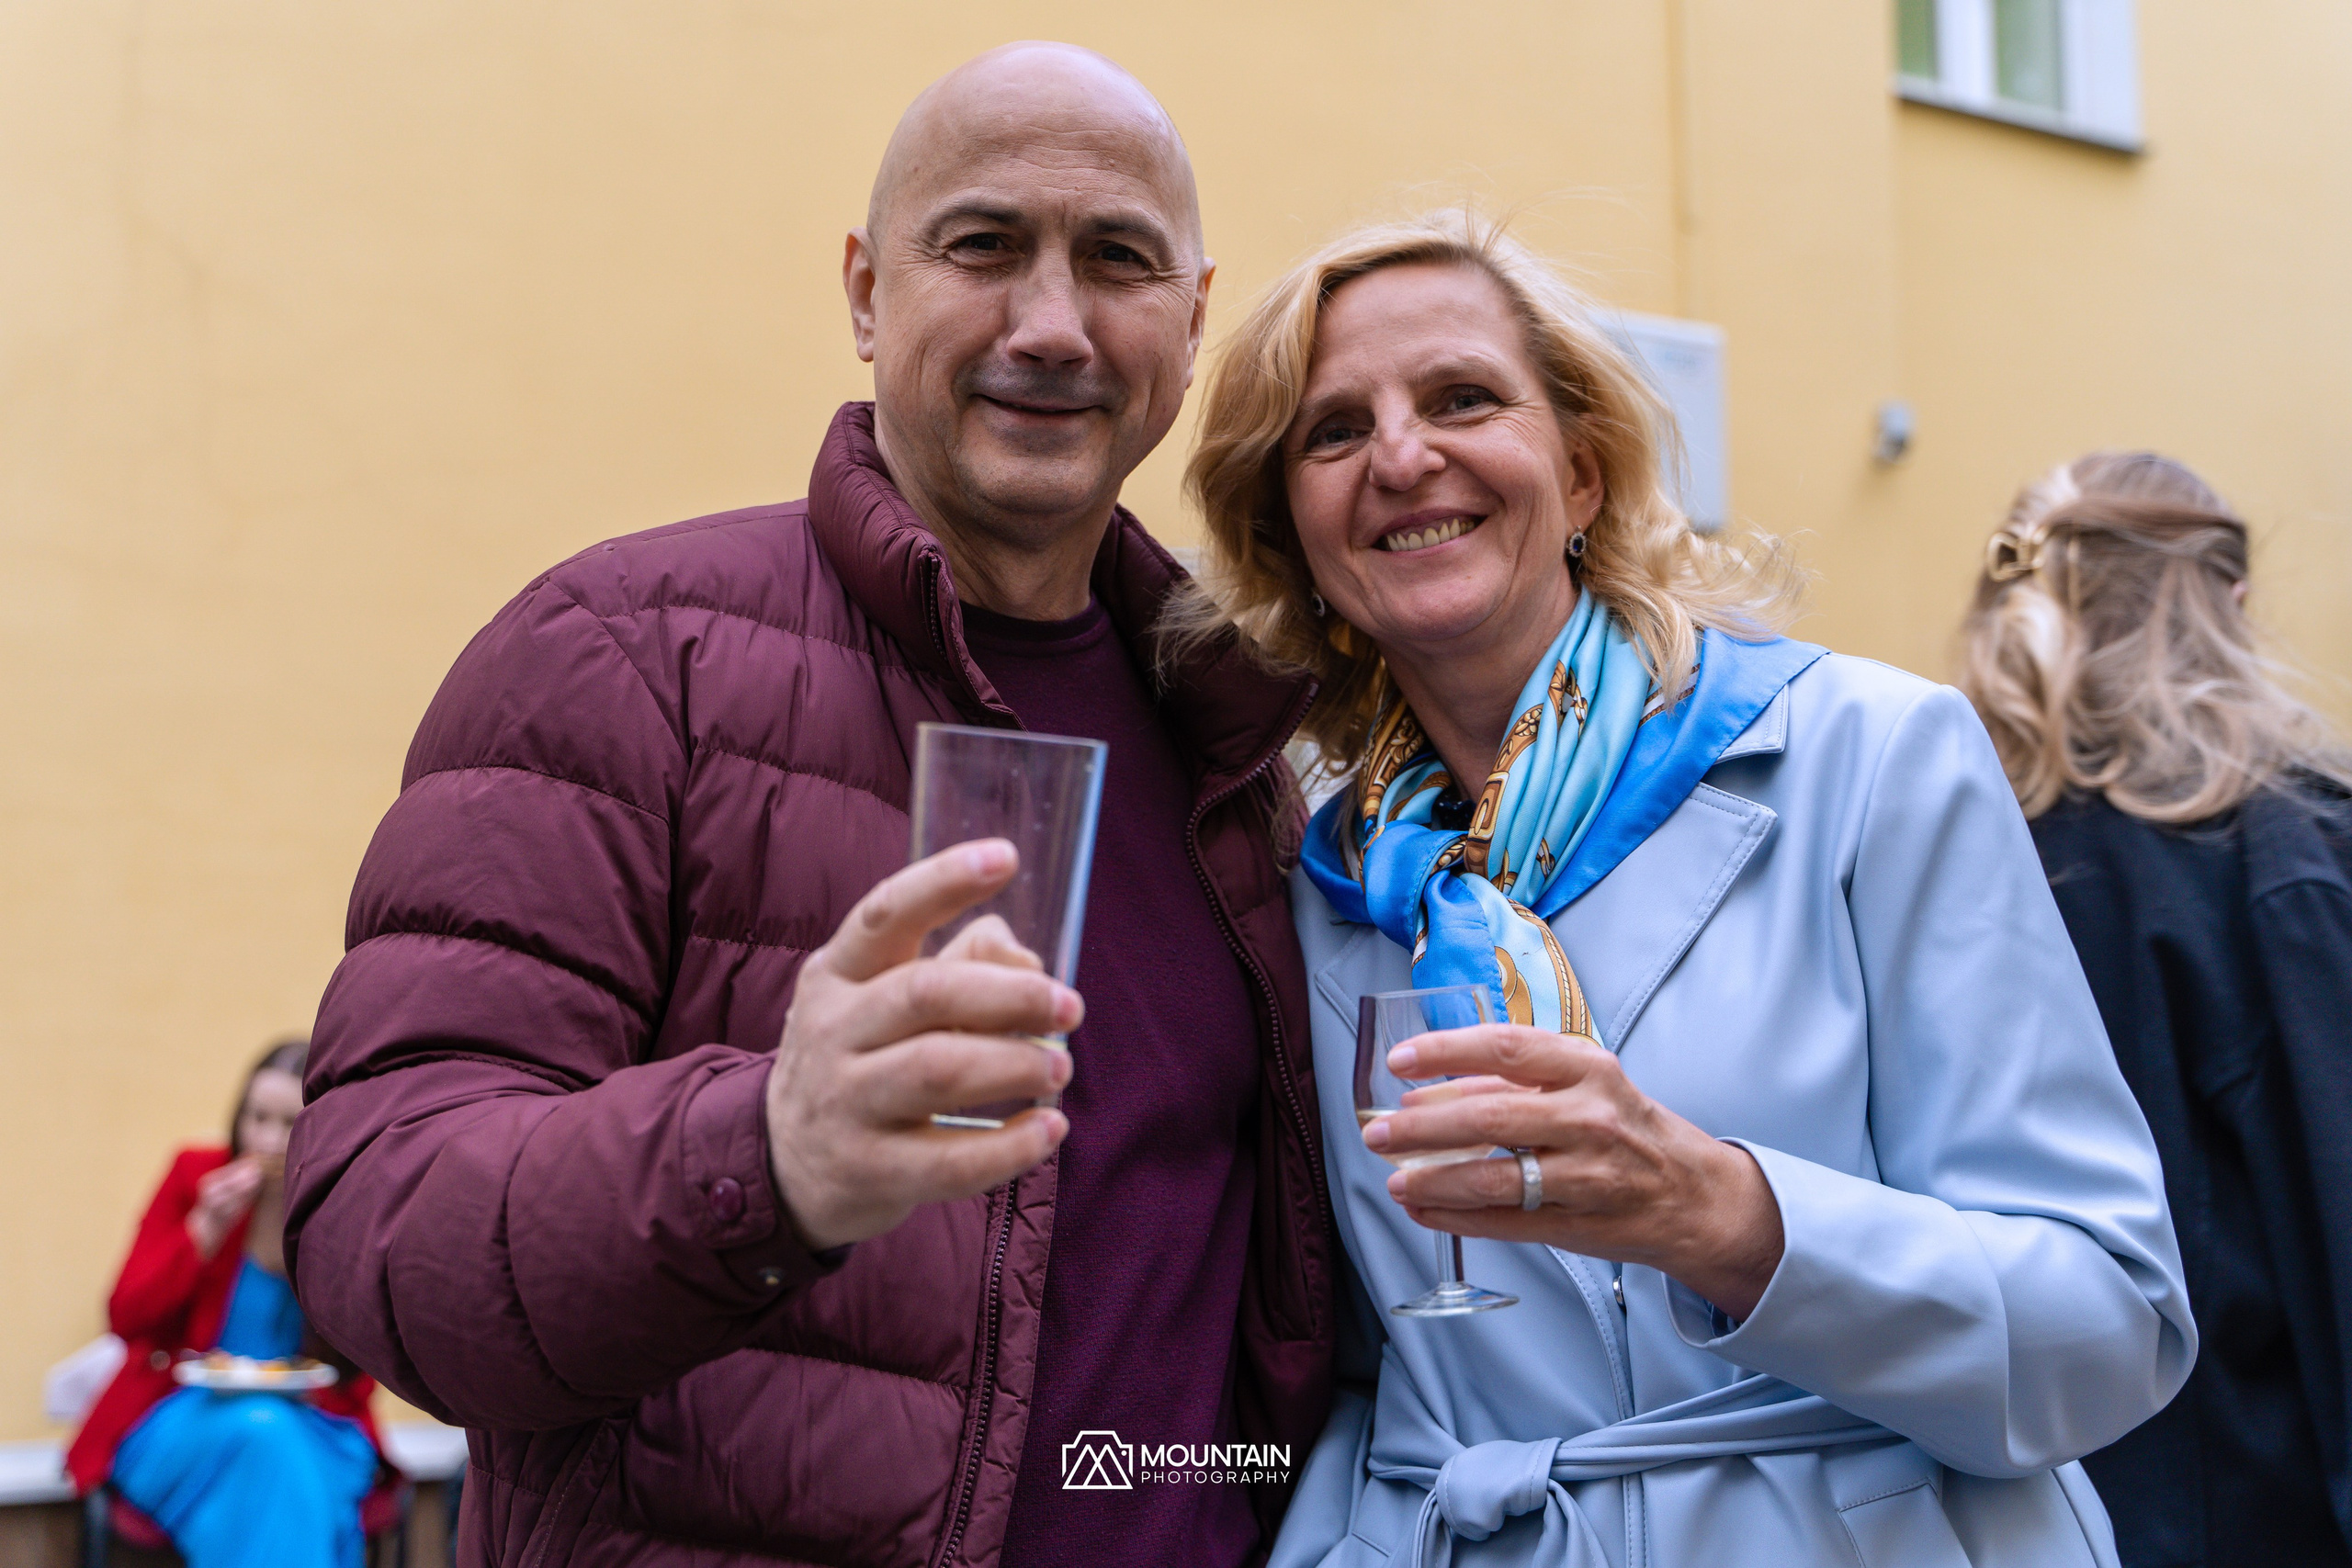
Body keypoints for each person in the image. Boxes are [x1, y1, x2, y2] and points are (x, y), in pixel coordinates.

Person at [284, 42, 1333, 1568]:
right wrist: (765, 1154)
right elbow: (381, 1237)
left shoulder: (1242, 748)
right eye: (981, 247)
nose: (1051, 324)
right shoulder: (621, 659)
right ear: (862, 291)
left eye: (1117, 259)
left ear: (1187, 313)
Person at [1169, 211, 2197, 1566]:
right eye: (1334, 431)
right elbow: (1364, 1372)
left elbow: (2110, 1326)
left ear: (1583, 472)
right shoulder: (1323, 883)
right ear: (1297, 536)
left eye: (1463, 397)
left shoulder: (1871, 758)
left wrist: (1723, 1213)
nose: (1404, 455)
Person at [1959, 451, 2352, 1568]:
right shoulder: (2283, 868)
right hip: (2238, 1516)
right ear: (2225, 606)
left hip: (1981, 1512)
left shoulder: (1936, 857)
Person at [67, 1041, 385, 1568]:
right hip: (183, 1414)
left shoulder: (339, 1206)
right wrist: (203, 1232)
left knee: (281, 1454)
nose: (266, 1140)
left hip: (314, 1421)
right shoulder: (196, 1177)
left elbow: (363, 1362)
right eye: (256, 1117)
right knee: (266, 1440)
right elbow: (126, 1317)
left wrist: (325, 1240)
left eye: (289, 1124)